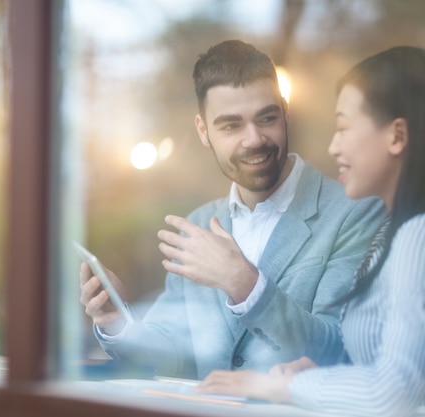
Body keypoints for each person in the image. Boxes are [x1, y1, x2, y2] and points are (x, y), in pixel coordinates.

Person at [197, 46, 425, 416]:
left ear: (396, 136)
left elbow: (394, 392)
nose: (333, 147)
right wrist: (320, 372)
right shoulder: (417, 229)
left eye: (343, 128)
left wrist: (277, 385)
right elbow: (402, 366)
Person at [79, 39, 386, 379]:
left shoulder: (356, 214)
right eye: (231, 125)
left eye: (267, 118)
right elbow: (175, 355)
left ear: (285, 112)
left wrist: (245, 284)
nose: (254, 138)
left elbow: (341, 352)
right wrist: (115, 321)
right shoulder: (198, 225)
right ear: (203, 131)